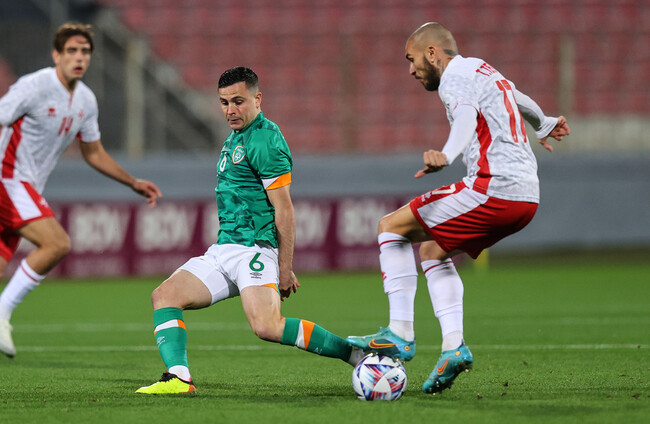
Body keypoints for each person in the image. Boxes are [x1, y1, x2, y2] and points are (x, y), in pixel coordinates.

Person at [347, 22, 570, 394]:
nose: (410, 69)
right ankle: (453, 347)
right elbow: (516, 96)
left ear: (432, 53)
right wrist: (543, 123)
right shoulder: (481, 69)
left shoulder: (453, 78)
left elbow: (465, 116)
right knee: (432, 250)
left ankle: (400, 333)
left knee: (390, 227)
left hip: (493, 187)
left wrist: (447, 154)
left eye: (412, 59)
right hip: (527, 195)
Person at [136, 67, 363, 394]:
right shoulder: (235, 137)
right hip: (224, 249)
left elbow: (284, 209)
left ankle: (355, 354)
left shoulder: (265, 140)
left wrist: (285, 267)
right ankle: (179, 379)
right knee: (165, 295)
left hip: (255, 249)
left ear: (258, 99)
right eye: (224, 102)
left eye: (238, 101)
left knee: (267, 327)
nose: (230, 110)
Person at [0, 22, 162, 358]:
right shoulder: (34, 86)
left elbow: (93, 152)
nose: (79, 57)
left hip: (27, 187)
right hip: (8, 179)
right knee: (56, 243)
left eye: (85, 52)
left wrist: (132, 182)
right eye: (71, 51)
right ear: (56, 55)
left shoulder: (86, 100)